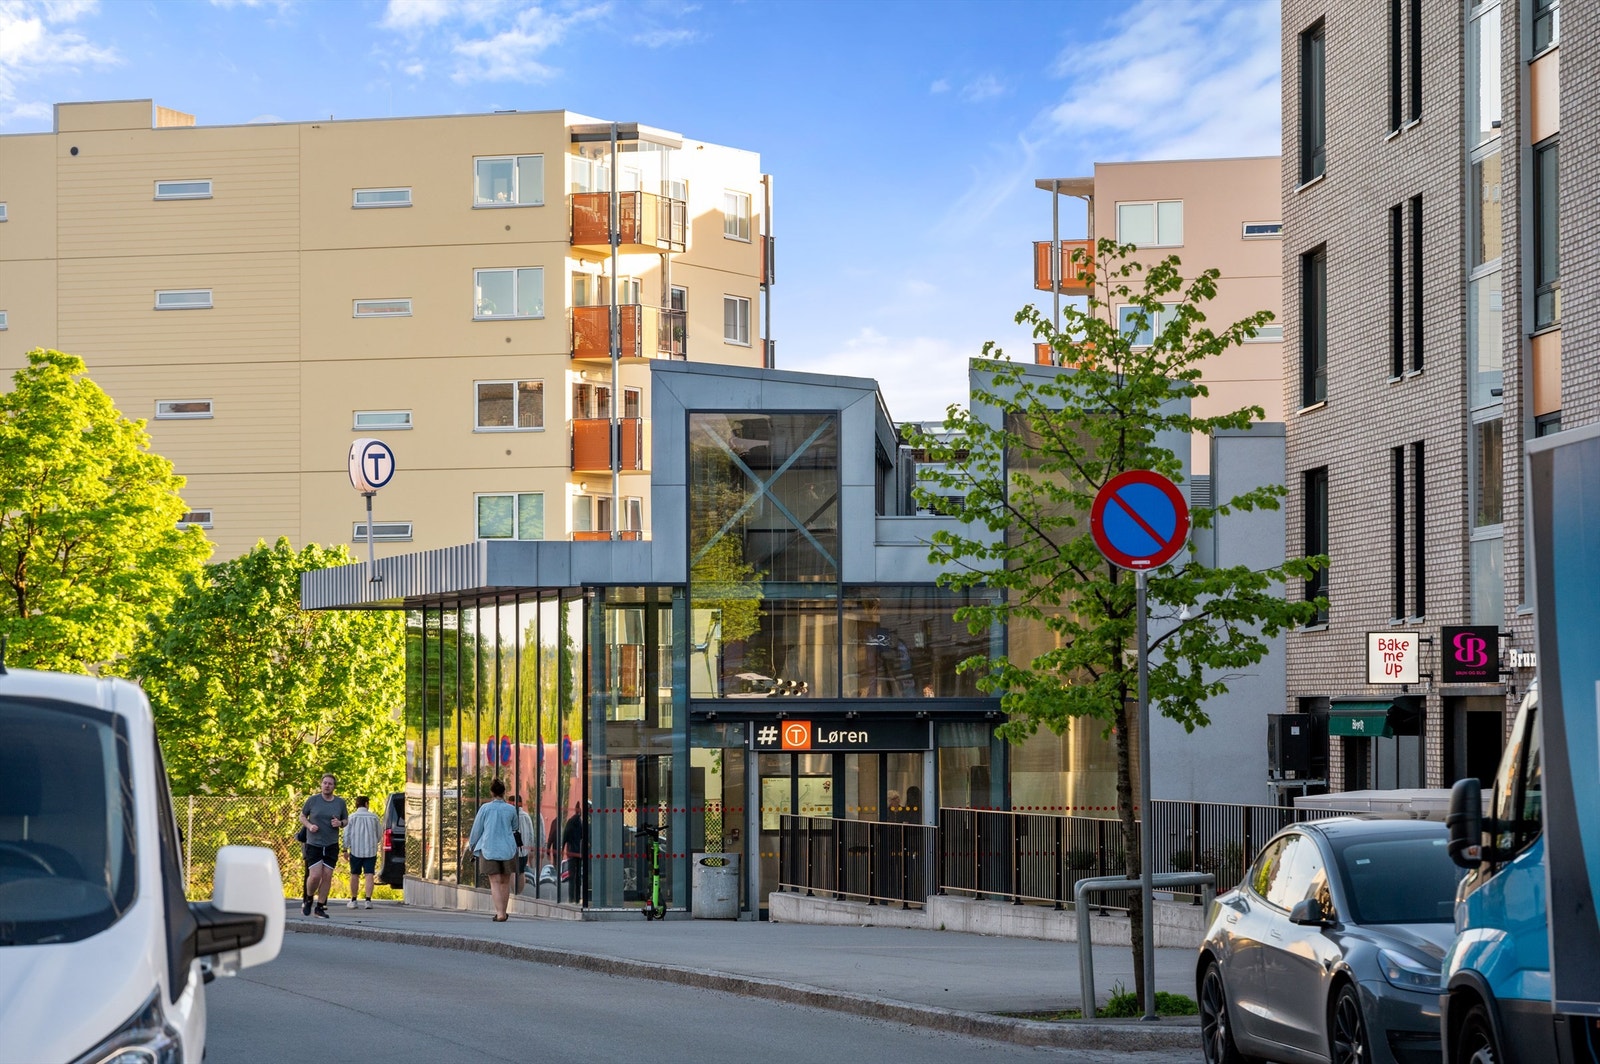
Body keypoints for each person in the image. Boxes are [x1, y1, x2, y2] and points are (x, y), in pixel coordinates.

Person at [467, 778, 518, 921]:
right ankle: (504, 912)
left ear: (492, 792)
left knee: (495, 882)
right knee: (505, 882)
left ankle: (500, 913)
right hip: (508, 849)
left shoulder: (485, 808)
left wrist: (472, 845)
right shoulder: (511, 809)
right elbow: (515, 827)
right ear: (504, 792)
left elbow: (477, 829)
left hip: (489, 848)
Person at [299, 774, 348, 919]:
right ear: (321, 785)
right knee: (315, 876)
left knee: (327, 875)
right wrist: (309, 826)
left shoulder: (340, 803)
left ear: (334, 787)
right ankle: (309, 898)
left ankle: (320, 907)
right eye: (325, 783)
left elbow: (346, 820)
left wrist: (340, 823)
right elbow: (302, 816)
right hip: (314, 843)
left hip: (331, 844)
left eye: (330, 784)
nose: (327, 786)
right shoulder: (313, 800)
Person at [343, 794, 380, 909]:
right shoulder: (374, 817)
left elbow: (347, 834)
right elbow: (379, 835)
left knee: (355, 874)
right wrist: (374, 841)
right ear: (366, 804)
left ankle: (354, 900)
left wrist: (345, 849)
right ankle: (368, 900)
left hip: (355, 850)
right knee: (369, 874)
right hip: (371, 850)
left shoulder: (351, 817)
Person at [510, 795, 538, 894]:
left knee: (512, 871)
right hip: (524, 851)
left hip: (512, 850)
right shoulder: (526, 816)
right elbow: (531, 834)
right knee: (521, 871)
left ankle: (514, 893)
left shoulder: (511, 816)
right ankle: (519, 893)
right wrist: (531, 848)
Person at [560, 801, 587, 903]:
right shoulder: (580, 823)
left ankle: (571, 897)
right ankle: (577, 898)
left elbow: (565, 836)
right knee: (578, 876)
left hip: (571, 852)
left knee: (571, 876)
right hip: (579, 852)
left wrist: (562, 849)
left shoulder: (570, 822)